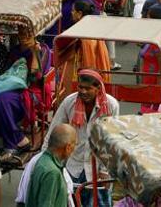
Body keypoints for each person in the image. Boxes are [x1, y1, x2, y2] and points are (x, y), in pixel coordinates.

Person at [45, 71, 120, 207]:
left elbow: (111, 141)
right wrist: (43, 160)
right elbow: (53, 132)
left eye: (88, 88)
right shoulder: (69, 102)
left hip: (97, 167)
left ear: (98, 88)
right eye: (80, 87)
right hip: (73, 165)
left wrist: (105, 171)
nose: (83, 91)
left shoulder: (111, 106)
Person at [0, 25, 52, 156]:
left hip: (32, 90)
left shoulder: (43, 50)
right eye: (21, 33)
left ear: (35, 34)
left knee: (1, 101)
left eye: (28, 34)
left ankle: (11, 144)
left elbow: (35, 76)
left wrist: (33, 51)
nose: (24, 37)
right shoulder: (15, 51)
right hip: (12, 87)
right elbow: (7, 72)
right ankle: (19, 138)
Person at [22, 123, 77, 207]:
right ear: (68, 147)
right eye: (75, 145)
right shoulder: (52, 173)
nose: (74, 149)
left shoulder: (42, 161)